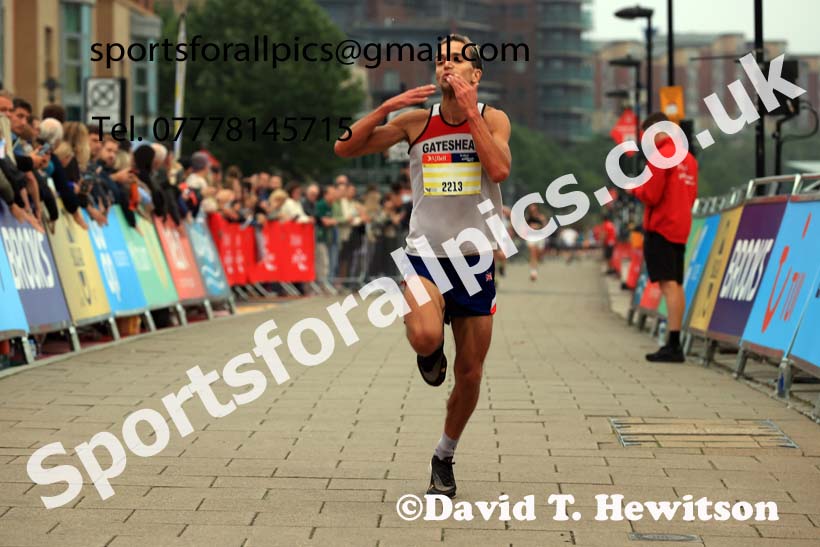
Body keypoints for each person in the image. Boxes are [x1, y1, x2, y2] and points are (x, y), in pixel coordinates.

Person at [334, 33, 511, 498]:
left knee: (470, 374)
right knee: (427, 336)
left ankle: (444, 455)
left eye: (457, 61)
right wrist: (385, 107)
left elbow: (499, 170)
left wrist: (472, 115)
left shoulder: (494, 120)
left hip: (474, 262)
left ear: (476, 74)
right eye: (440, 61)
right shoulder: (417, 122)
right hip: (425, 256)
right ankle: (429, 353)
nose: (446, 67)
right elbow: (345, 148)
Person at [631, 112, 698, 363]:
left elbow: (651, 194)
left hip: (661, 227)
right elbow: (692, 194)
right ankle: (675, 339)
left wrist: (635, 188)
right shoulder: (688, 158)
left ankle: (672, 344)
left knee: (667, 285)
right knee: (676, 285)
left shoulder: (660, 156)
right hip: (680, 227)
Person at [524, 203, 547, 281]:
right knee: (533, 253)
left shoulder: (541, 217)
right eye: (531, 209)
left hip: (540, 237)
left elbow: (545, 227)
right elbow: (525, 228)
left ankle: (536, 263)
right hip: (531, 237)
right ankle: (533, 273)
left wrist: (538, 226)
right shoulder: (528, 218)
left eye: (534, 208)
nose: (532, 210)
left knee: (538, 255)